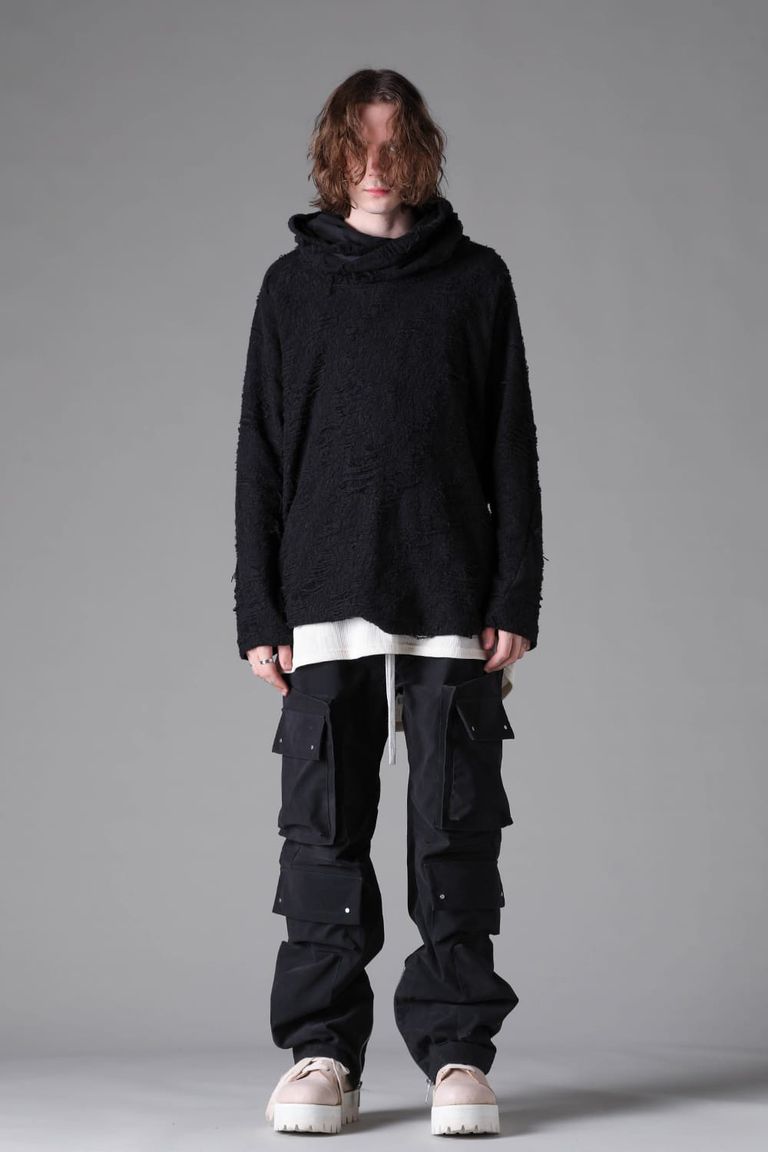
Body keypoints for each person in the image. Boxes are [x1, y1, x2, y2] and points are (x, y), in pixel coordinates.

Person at [233, 68, 545, 1136]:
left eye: (392, 144)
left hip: (452, 587)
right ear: (332, 155)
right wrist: (258, 611)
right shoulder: (292, 287)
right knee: (323, 834)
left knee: (453, 833)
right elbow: (260, 454)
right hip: (321, 593)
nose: (373, 166)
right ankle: (323, 1054)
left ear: (419, 152)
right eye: (356, 146)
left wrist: (516, 593)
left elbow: (511, 444)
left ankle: (458, 1055)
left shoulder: (476, 281)